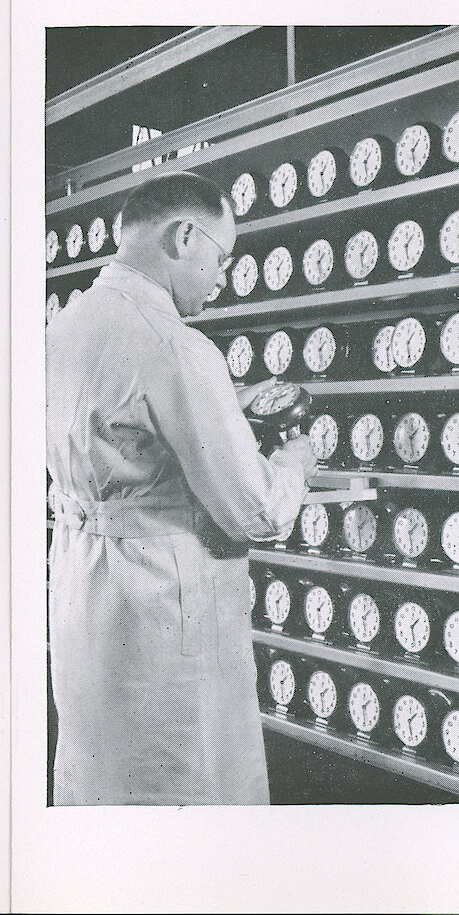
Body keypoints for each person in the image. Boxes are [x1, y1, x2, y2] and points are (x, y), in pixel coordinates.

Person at [46, 171, 316, 805]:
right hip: (168, 606)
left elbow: (122, 437)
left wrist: (225, 405)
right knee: (188, 787)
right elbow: (256, 511)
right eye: (222, 258)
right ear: (185, 236)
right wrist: (296, 463)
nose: (221, 279)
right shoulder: (177, 347)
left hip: (88, 590)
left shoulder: (59, 330)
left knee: (104, 780)